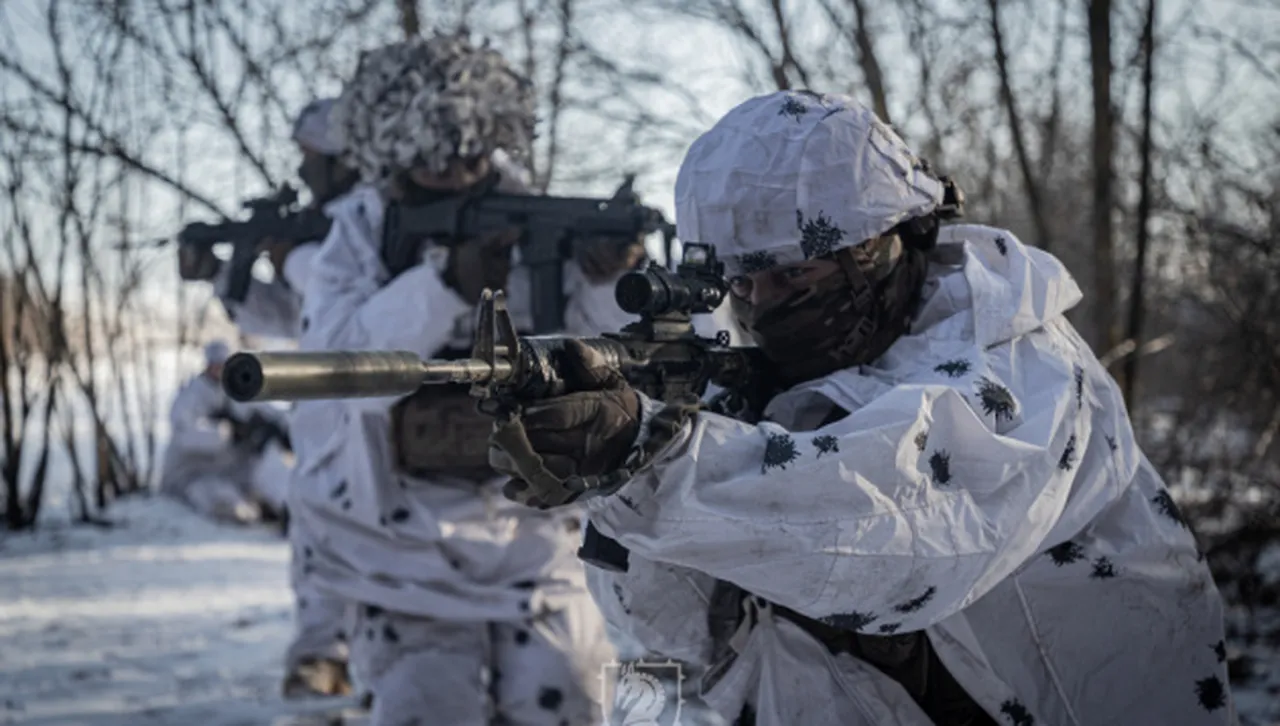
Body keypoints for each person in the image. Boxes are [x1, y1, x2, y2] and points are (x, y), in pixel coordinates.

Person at [488, 90, 1237, 725]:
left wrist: (652, 458)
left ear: (883, 244)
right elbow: (665, 645)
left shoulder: (1018, 362)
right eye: (741, 285)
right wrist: (617, 494)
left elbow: (892, 531)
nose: (762, 304)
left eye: (794, 275)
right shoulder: (742, 391)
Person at [288, 31, 639, 725]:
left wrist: (607, 281)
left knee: (566, 696)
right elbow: (333, 369)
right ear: (396, 151)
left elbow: (594, 354)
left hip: (534, 535)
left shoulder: (535, 218)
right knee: (427, 704)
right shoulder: (359, 232)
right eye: (437, 161)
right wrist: (443, 283)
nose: (457, 170)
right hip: (397, 543)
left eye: (472, 154)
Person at [260, 97, 364, 701]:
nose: (302, 173)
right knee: (317, 538)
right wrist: (233, 277)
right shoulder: (322, 222)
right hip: (322, 417)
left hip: (367, 413)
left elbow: (341, 290)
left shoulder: (369, 220)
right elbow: (296, 318)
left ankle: (355, 659)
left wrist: (290, 258)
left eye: (311, 159)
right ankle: (322, 656)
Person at [159, 340, 291, 525]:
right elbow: (185, 435)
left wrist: (283, 429)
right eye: (216, 365)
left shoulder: (236, 389)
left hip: (234, 471)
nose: (220, 370)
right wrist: (228, 433)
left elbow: (268, 412)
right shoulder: (191, 395)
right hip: (194, 475)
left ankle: (288, 507)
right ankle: (259, 511)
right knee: (227, 505)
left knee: (269, 457)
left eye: (224, 365)